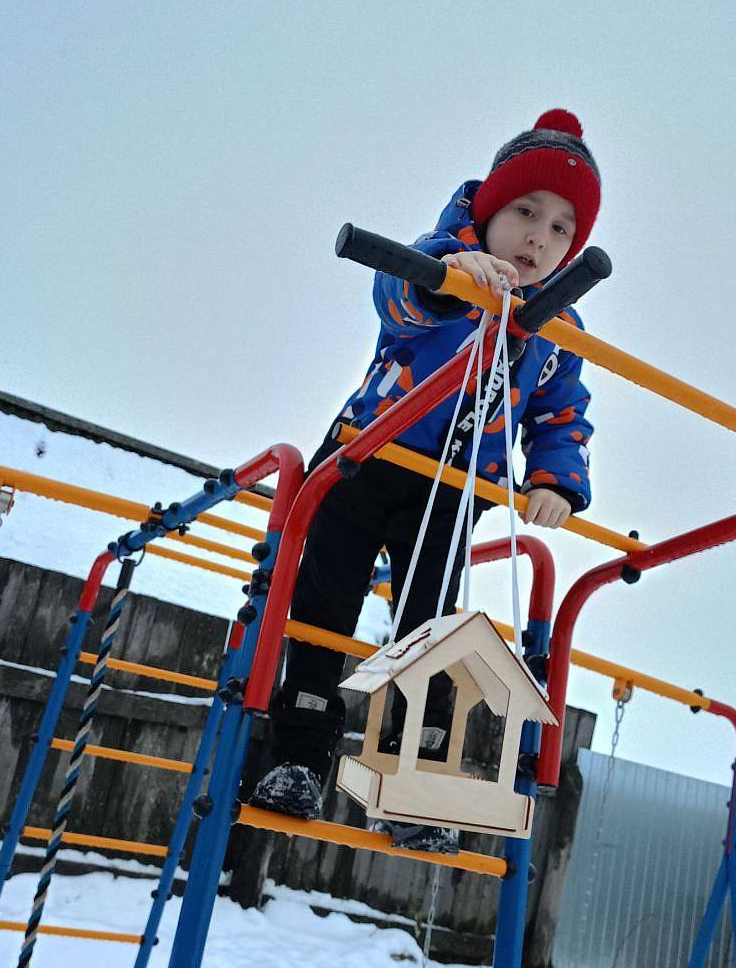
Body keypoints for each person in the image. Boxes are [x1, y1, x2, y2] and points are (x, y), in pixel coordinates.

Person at [249, 109, 601, 852]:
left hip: (454, 486)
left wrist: (557, 479)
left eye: (561, 229)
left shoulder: (559, 328)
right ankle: (298, 758)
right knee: (324, 606)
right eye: (525, 212)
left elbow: (562, 409)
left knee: (432, 632)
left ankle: (410, 783)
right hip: (364, 459)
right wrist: (453, 280)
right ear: (488, 211)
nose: (539, 238)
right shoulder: (443, 263)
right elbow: (396, 299)